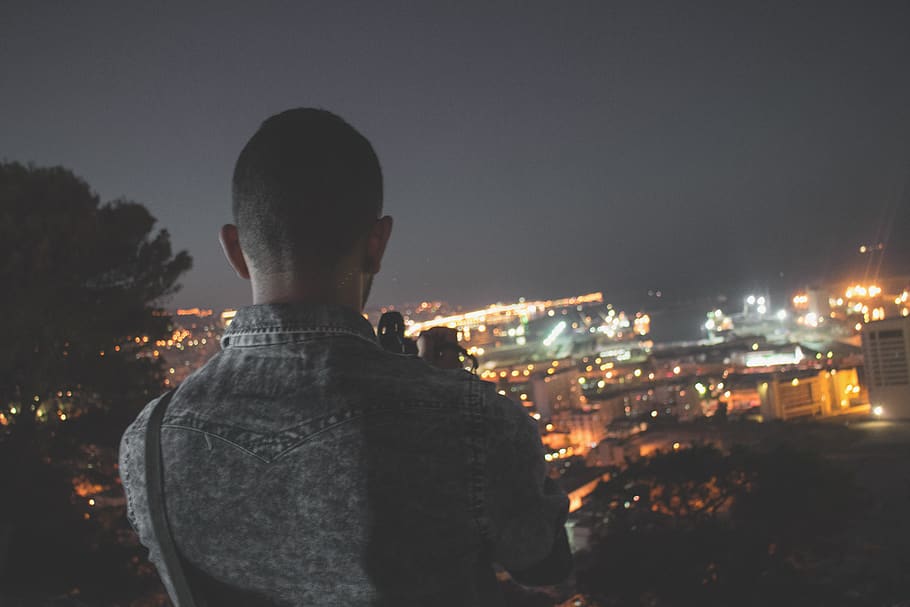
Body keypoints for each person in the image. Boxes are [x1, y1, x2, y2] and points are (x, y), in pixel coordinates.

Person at [118, 108, 572, 606]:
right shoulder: (475, 420)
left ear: (235, 250)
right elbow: (543, 564)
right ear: (376, 245)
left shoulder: (149, 441)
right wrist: (449, 392)